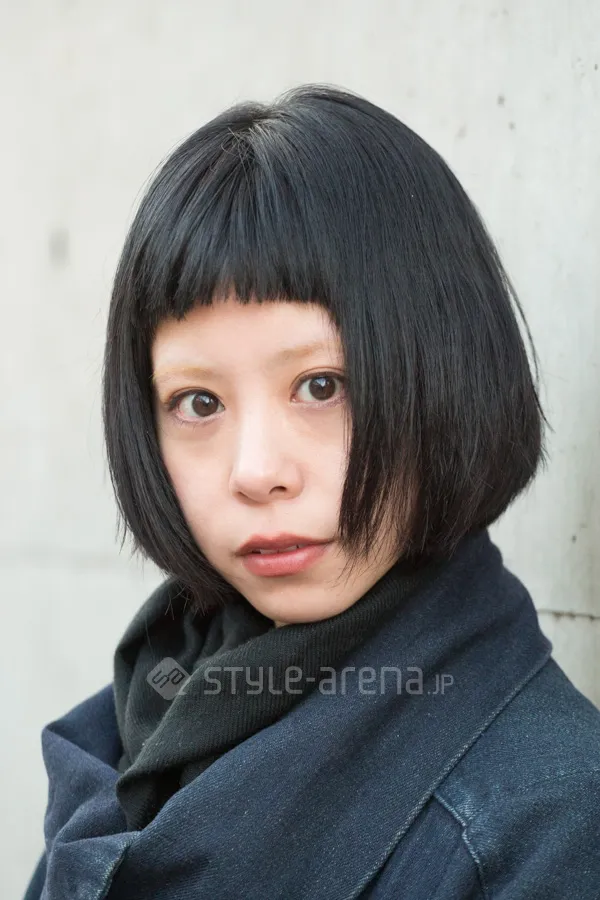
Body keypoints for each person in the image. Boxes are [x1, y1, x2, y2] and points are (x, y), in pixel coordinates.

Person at [24, 84, 600, 900]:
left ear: (446, 372)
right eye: (199, 403)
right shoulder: (147, 711)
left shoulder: (549, 824)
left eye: (322, 386)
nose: (256, 470)